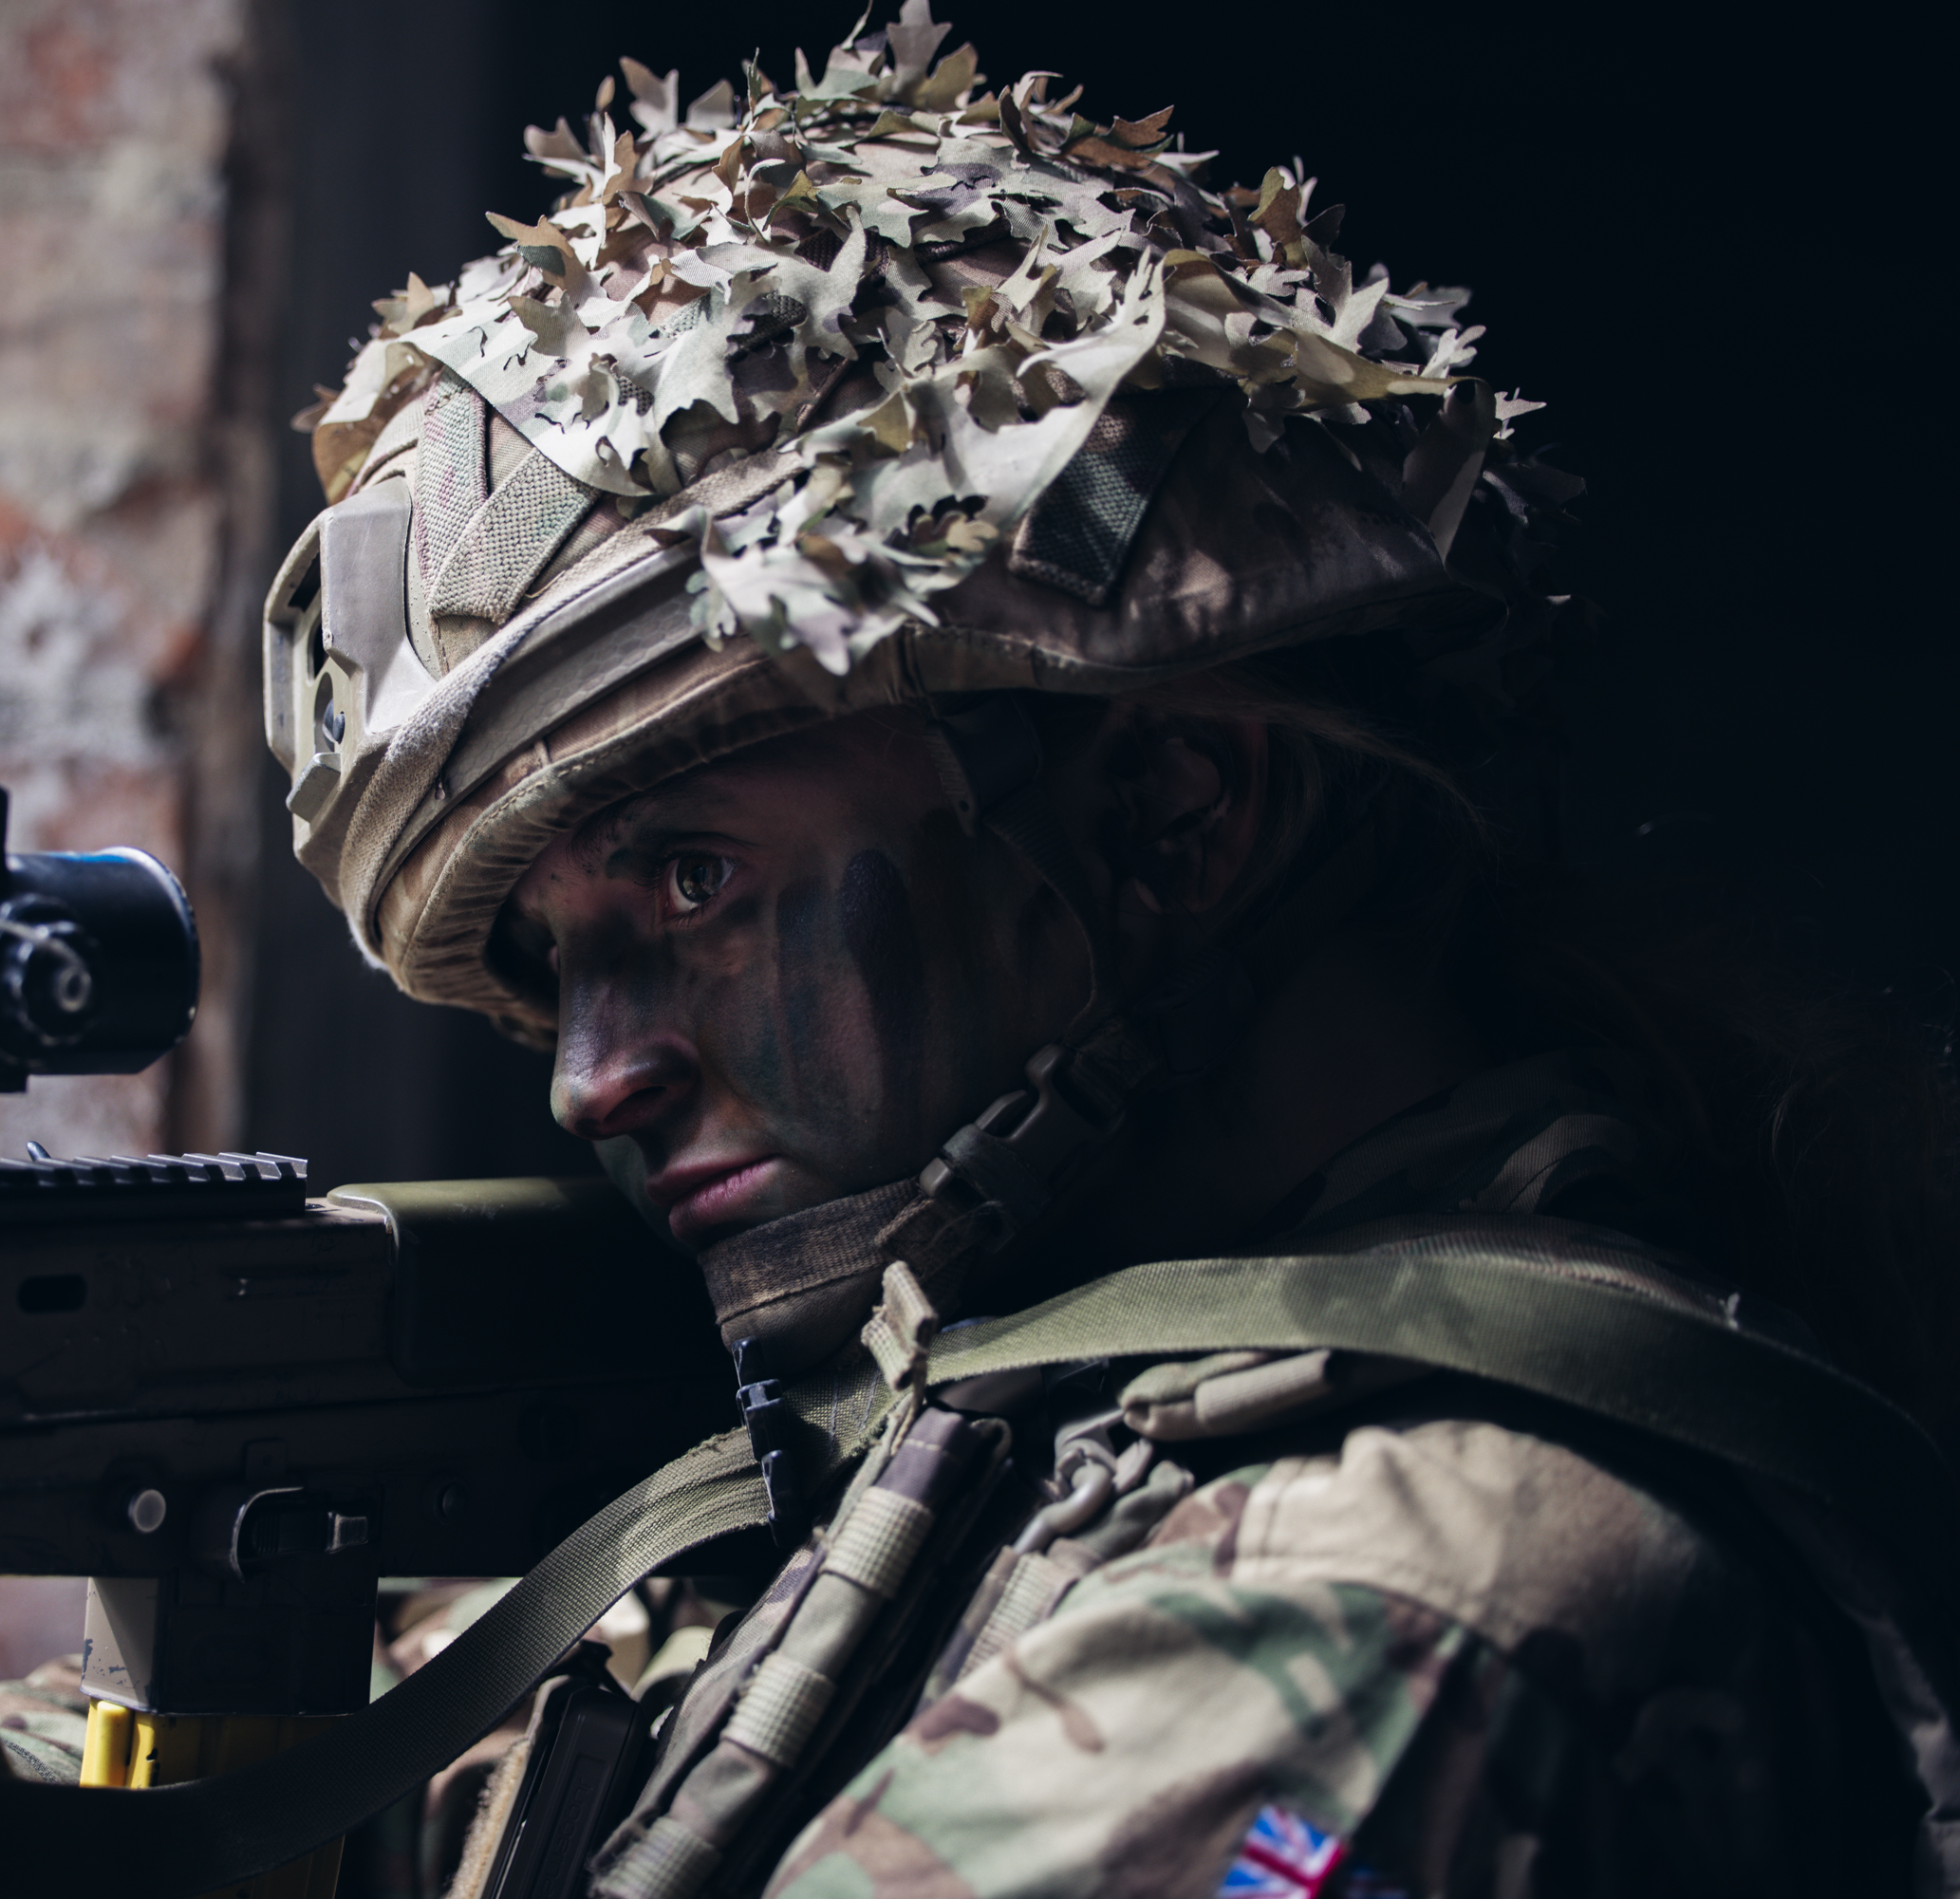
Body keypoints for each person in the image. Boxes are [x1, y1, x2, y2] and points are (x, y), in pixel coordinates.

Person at [263, 9, 1959, 1892]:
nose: (592, 1074)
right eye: (551, 959)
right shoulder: (1012, 1439)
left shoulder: (1393, 1590)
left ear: (1170, 808)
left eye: (686, 885)